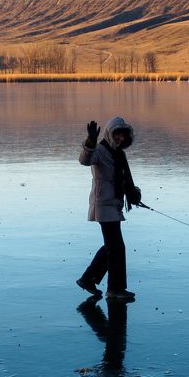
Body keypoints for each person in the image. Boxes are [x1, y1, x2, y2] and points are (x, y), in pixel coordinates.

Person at [76, 116, 142, 300]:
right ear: (110, 133)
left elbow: (123, 179)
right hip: (103, 204)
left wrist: (132, 192)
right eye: (117, 134)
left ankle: (88, 279)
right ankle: (115, 289)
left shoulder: (118, 154)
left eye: (123, 135)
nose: (120, 138)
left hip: (114, 204)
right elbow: (84, 160)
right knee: (116, 247)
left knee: (112, 246)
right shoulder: (99, 150)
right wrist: (90, 141)